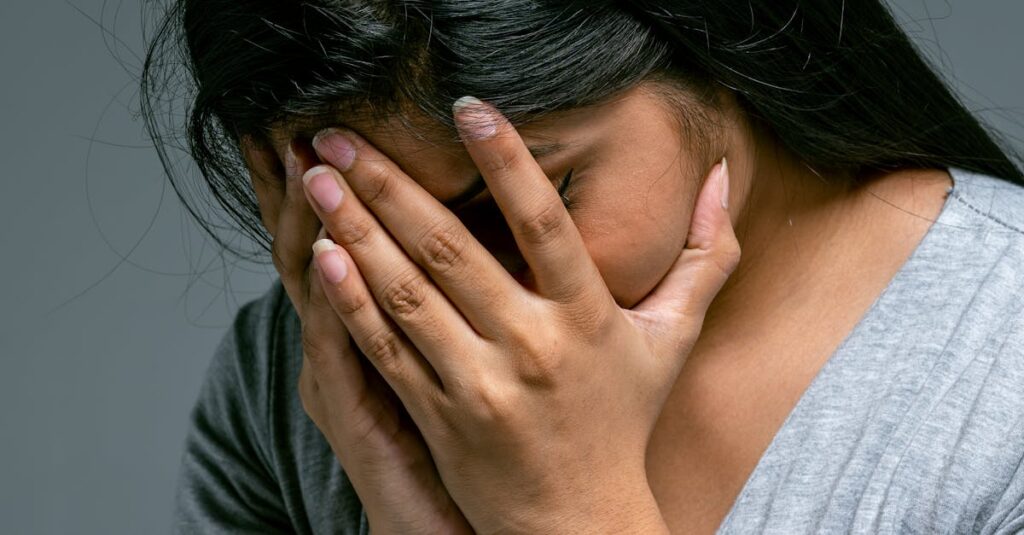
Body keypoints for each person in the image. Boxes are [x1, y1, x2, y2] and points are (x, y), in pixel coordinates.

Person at [148, 1, 1024, 533]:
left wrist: (571, 515)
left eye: (538, 196)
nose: (463, 302)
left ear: (714, 45)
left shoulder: (998, 375)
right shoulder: (301, 382)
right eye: (375, 221)